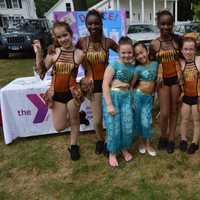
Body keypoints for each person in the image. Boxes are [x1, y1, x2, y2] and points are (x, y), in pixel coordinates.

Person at [33, 21, 84, 161]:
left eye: (65, 35)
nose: (63, 39)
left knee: (74, 120)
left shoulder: (80, 54)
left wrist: (87, 84)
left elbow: (89, 71)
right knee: (59, 126)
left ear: (71, 34)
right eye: (59, 37)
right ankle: (81, 118)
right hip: (56, 94)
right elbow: (41, 73)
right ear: (56, 38)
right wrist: (39, 53)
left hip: (72, 93)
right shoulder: (53, 52)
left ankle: (74, 146)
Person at [76, 9, 118, 154]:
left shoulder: (108, 42)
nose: (93, 27)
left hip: (107, 84)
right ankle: (100, 140)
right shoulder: (82, 42)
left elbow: (126, 52)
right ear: (86, 25)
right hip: (92, 86)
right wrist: (53, 45)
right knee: (97, 121)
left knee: (111, 118)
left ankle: (109, 142)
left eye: (96, 23)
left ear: (101, 24)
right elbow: (69, 52)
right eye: (90, 24)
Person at [149, 10, 182, 153]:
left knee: (174, 111)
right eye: (163, 24)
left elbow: (184, 56)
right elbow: (150, 63)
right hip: (162, 82)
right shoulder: (154, 44)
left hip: (175, 79)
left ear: (172, 24)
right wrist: (156, 75)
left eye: (169, 24)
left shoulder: (177, 40)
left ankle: (171, 138)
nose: (166, 27)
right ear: (158, 24)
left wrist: (181, 71)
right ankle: (163, 136)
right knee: (164, 113)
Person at [102, 36, 135, 167]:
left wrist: (131, 101)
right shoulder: (113, 65)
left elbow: (130, 85)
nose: (126, 55)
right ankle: (113, 152)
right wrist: (109, 104)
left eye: (129, 52)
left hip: (126, 97)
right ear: (119, 52)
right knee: (114, 127)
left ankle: (124, 148)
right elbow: (105, 85)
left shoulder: (132, 67)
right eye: (123, 52)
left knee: (127, 125)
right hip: (113, 98)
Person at [131, 42, 158, 157]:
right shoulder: (137, 68)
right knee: (138, 122)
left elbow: (157, 80)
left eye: (141, 52)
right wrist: (131, 100)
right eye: (137, 55)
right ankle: (141, 143)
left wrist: (156, 92)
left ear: (146, 51)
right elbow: (132, 85)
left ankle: (148, 144)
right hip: (138, 96)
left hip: (148, 98)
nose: (140, 56)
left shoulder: (156, 64)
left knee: (147, 122)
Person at [179, 33, 200, 154]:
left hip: (197, 97)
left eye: (191, 49)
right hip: (186, 96)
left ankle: (195, 142)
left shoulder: (199, 61)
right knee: (184, 119)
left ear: (195, 50)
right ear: (182, 50)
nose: (188, 52)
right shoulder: (181, 62)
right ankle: (183, 139)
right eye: (186, 49)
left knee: (197, 121)